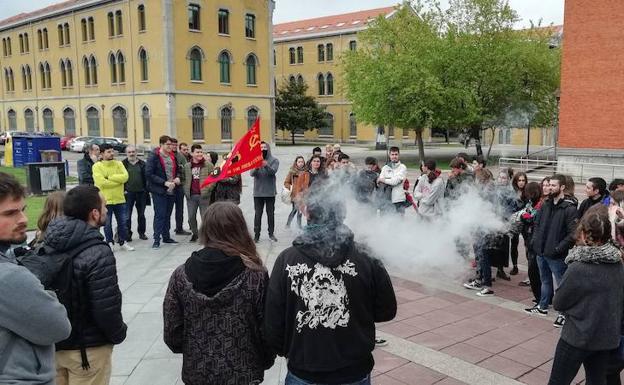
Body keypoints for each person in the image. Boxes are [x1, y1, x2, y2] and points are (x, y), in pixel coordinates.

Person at [263, 187, 397, 385]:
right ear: (342, 214)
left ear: (307, 212)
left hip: (305, 367)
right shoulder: (366, 255)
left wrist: (290, 352)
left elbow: (273, 322)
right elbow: (385, 310)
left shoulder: (287, 259)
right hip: (353, 367)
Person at [164, 202, 275, 384]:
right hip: (244, 372)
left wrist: (195, 350)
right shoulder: (256, 276)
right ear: (240, 229)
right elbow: (267, 331)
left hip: (198, 372)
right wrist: (263, 359)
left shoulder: (180, 275)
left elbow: (172, 333)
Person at [44, 185, 127, 385]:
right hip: (87, 352)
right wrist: (118, 334)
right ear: (94, 213)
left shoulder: (47, 241)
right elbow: (106, 306)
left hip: (53, 346)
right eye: (105, 206)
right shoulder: (98, 251)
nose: (107, 210)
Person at [0, 172, 71, 385]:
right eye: (10, 213)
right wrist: (43, 292)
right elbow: (58, 326)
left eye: (22, 209)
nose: (23, 219)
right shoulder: (8, 277)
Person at [547, 205, 624, 385]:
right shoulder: (619, 263)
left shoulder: (578, 267)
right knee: (597, 381)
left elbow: (559, 302)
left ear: (583, 233)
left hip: (577, 337)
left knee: (558, 381)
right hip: (606, 337)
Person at [525, 174, 578, 328]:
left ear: (562, 187)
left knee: (561, 284)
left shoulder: (569, 208)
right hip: (541, 252)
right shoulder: (545, 205)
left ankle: (563, 313)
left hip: (556, 255)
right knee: (545, 280)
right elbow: (537, 225)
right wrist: (535, 243)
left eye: (554, 185)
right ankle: (542, 306)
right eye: (549, 185)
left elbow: (573, 234)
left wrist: (558, 248)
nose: (549, 188)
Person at [92, 143, 134, 252]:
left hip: (120, 198)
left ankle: (122, 242)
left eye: (112, 151)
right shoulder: (97, 166)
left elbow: (125, 177)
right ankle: (109, 242)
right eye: (108, 152)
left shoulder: (119, 164)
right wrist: (117, 182)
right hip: (105, 200)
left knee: (123, 223)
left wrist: (109, 177)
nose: (112, 154)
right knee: (107, 223)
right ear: (102, 154)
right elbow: (101, 182)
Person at [146, 135, 181, 249]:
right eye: (168, 144)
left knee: (167, 214)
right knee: (160, 215)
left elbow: (178, 170)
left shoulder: (172, 156)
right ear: (161, 145)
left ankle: (166, 236)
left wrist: (177, 178)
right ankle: (156, 239)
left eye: (171, 144)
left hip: (171, 189)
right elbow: (149, 174)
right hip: (159, 190)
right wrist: (164, 183)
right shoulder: (154, 156)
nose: (171, 146)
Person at [183, 144, 214, 242]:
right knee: (191, 217)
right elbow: (184, 179)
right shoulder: (187, 166)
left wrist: (208, 188)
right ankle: (195, 233)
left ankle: (206, 236)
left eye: (201, 152)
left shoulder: (208, 165)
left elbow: (214, 178)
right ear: (192, 153)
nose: (200, 154)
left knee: (205, 217)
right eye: (197, 152)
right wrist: (185, 189)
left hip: (204, 196)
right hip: (191, 196)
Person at [250, 141, 279, 243]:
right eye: (261, 147)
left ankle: (271, 234)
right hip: (258, 193)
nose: (263, 149)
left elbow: (273, 172)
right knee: (258, 214)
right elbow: (251, 174)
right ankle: (256, 235)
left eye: (264, 147)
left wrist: (266, 165)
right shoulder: (255, 160)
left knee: (270, 214)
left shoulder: (274, 160)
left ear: (268, 149)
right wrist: (257, 167)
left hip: (270, 192)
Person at [122, 145, 149, 242]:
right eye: (129, 152)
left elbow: (147, 178)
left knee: (141, 214)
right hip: (128, 193)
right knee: (127, 215)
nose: (131, 154)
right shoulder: (123, 164)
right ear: (126, 153)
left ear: (136, 152)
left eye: (133, 152)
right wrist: (123, 189)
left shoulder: (142, 164)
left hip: (141, 193)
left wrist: (146, 190)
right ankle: (127, 234)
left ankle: (142, 233)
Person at [377, 146, 407, 213]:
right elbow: (380, 183)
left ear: (399, 155)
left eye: (396, 154)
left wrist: (384, 180)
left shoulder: (402, 167)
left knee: (399, 222)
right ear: (389, 155)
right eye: (392, 154)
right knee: (386, 222)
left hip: (398, 200)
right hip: (386, 200)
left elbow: (395, 181)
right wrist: (387, 180)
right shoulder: (385, 168)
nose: (394, 156)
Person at [171, 138, 191, 236]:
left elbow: (185, 169)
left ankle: (179, 228)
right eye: (172, 144)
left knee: (179, 208)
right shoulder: (166, 155)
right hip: (168, 186)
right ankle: (164, 229)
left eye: (175, 145)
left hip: (179, 186)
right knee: (166, 210)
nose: (174, 146)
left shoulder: (180, 156)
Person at [509, 172, 528, 275]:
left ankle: (530, 269)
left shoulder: (527, 192)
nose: (521, 183)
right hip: (515, 222)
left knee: (527, 245)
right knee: (514, 244)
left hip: (525, 222)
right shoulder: (512, 192)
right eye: (519, 180)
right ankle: (515, 266)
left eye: (523, 180)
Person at [284, 156, 307, 228]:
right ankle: (288, 224)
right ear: (296, 163)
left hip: (303, 195)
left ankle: (299, 226)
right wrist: (291, 188)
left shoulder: (306, 172)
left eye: (302, 162)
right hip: (295, 195)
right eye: (299, 162)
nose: (301, 163)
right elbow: (286, 182)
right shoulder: (292, 172)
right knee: (294, 210)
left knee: (300, 211)